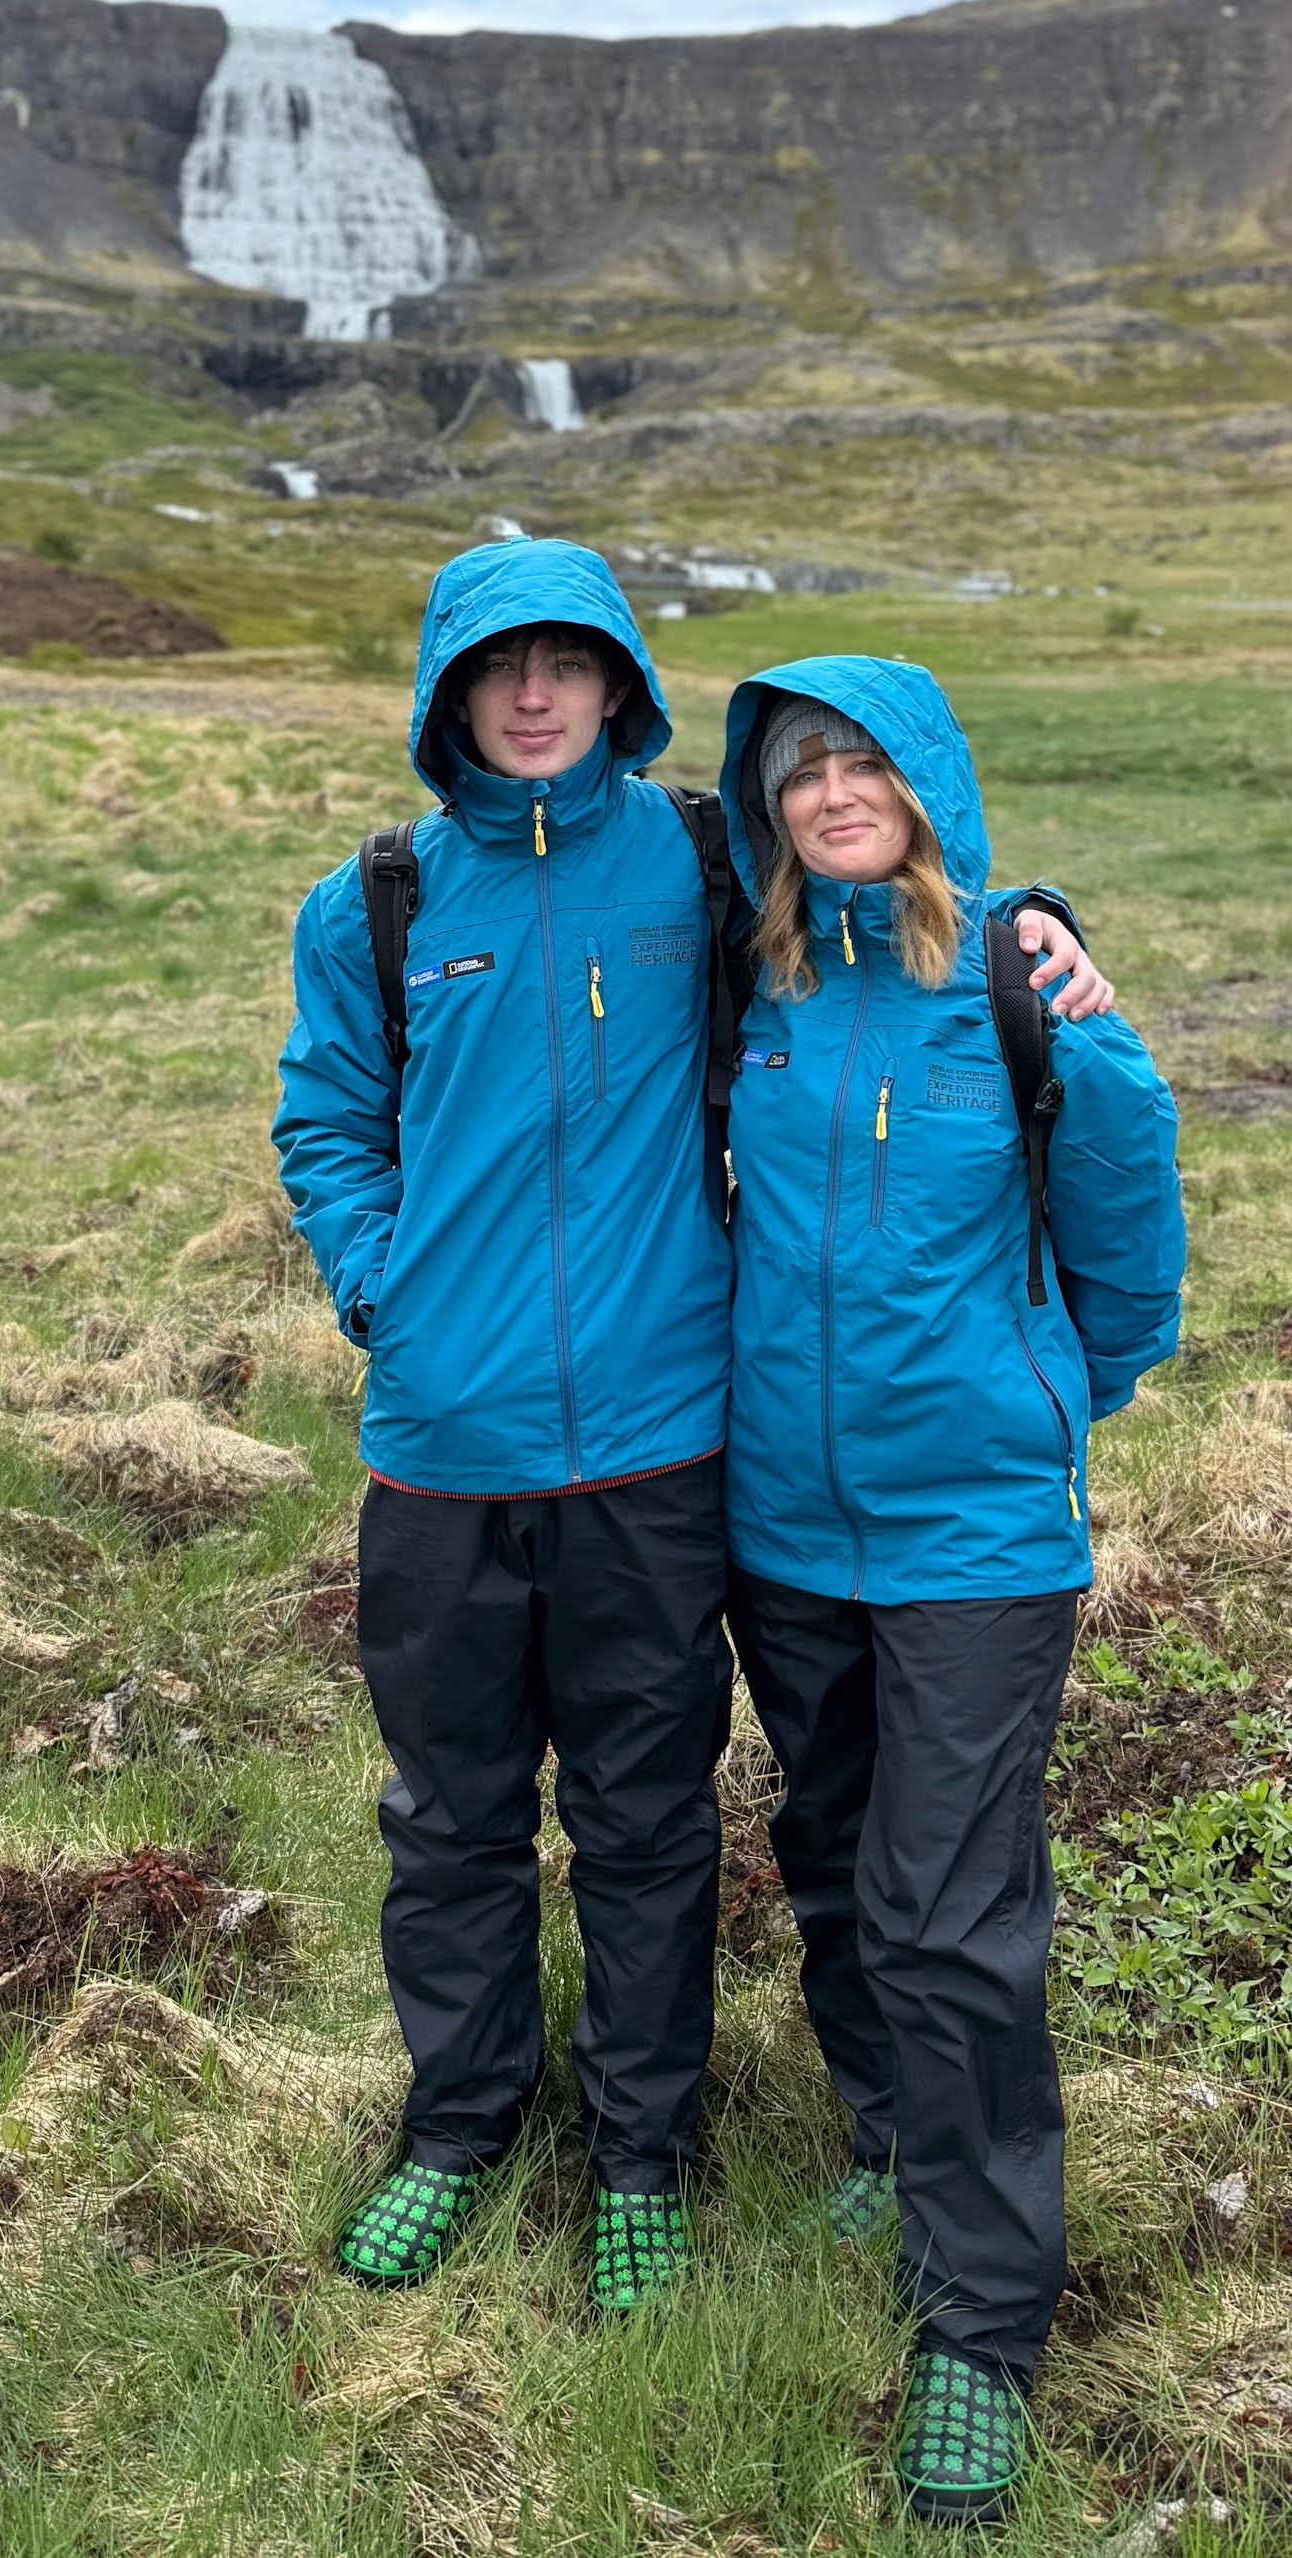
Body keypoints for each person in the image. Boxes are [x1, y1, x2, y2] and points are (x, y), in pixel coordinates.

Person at [273, 539, 1106, 2312]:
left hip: (663, 1447)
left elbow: (884, 898)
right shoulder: (377, 903)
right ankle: (460, 2124)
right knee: (451, 1817)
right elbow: (329, 1124)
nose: (532, 695)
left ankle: (641, 2151)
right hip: (439, 1453)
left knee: (648, 1822)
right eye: (497, 669)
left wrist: (1050, 931)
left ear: (618, 685)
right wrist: (382, 1287)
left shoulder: (702, 857)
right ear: (447, 694)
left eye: (567, 662)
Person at [716, 658, 1184, 2524]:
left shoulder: (1014, 971)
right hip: (782, 1525)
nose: (834, 791)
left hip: (976, 1528)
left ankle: (981, 2326)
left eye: (862, 762)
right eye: (800, 771)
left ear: (926, 781)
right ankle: (895, 2128)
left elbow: (1131, 1207)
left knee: (951, 1905)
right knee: (832, 1850)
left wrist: (1070, 1388)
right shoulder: (751, 981)